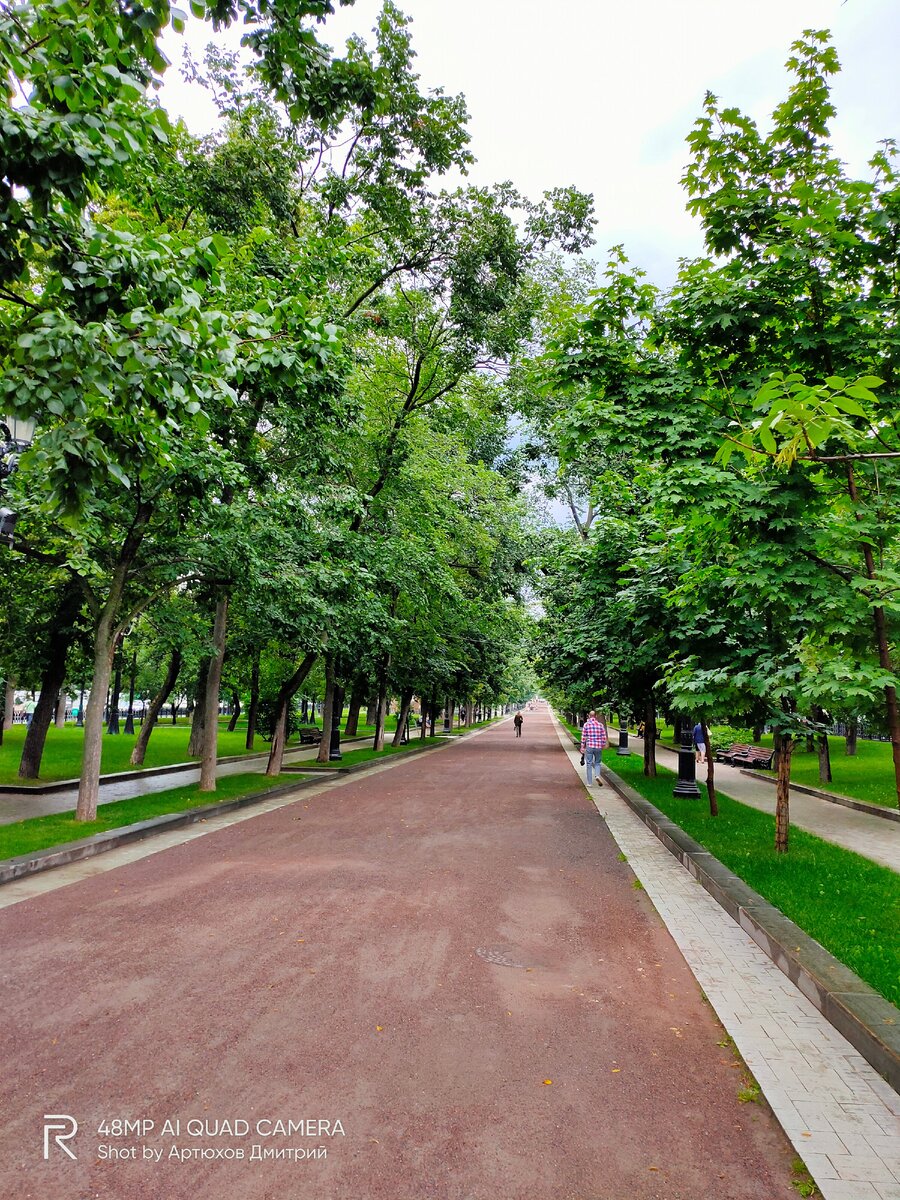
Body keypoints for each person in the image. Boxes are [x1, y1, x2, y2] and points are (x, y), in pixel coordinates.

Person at [580, 710, 608, 786]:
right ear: (595, 716)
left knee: (589, 763)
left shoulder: (586, 725)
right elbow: (603, 737)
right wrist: (603, 745)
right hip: (598, 746)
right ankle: (597, 775)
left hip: (590, 745)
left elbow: (583, 737)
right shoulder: (600, 725)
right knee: (597, 762)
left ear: (589, 716)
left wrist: (582, 747)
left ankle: (589, 783)